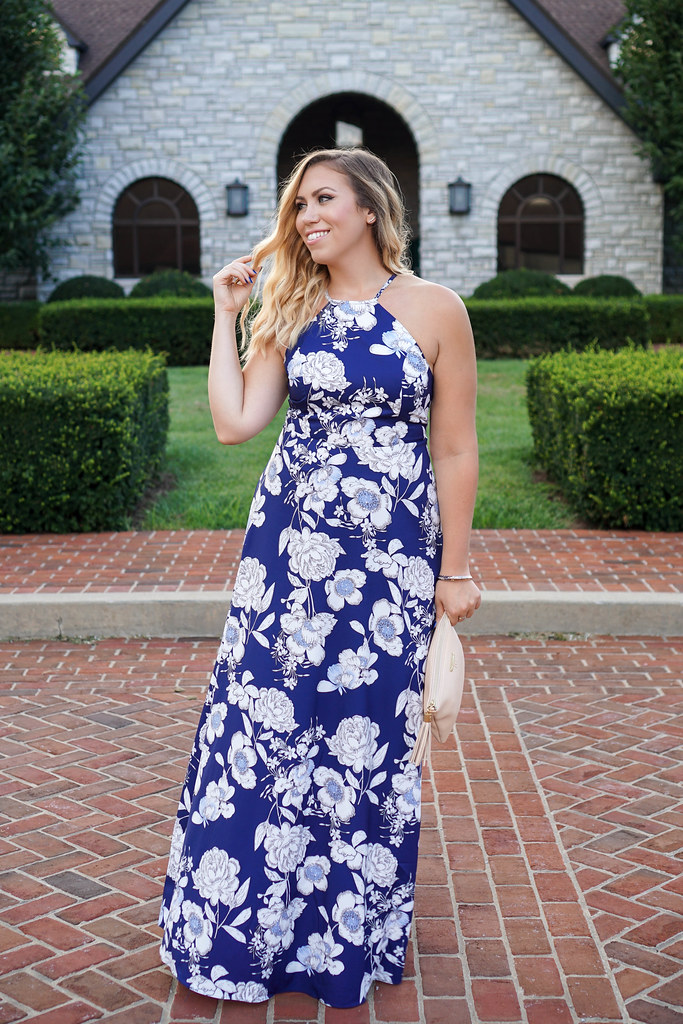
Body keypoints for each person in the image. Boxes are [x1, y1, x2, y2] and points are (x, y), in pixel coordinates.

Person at [158, 147, 480, 1008]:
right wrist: (226, 315)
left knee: (364, 740)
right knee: (265, 730)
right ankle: (246, 927)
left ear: (370, 208)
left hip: (388, 567)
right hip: (289, 562)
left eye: (323, 200)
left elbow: (453, 445)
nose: (305, 218)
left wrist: (454, 571)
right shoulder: (287, 304)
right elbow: (235, 425)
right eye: (298, 206)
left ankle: (345, 935)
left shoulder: (436, 309)